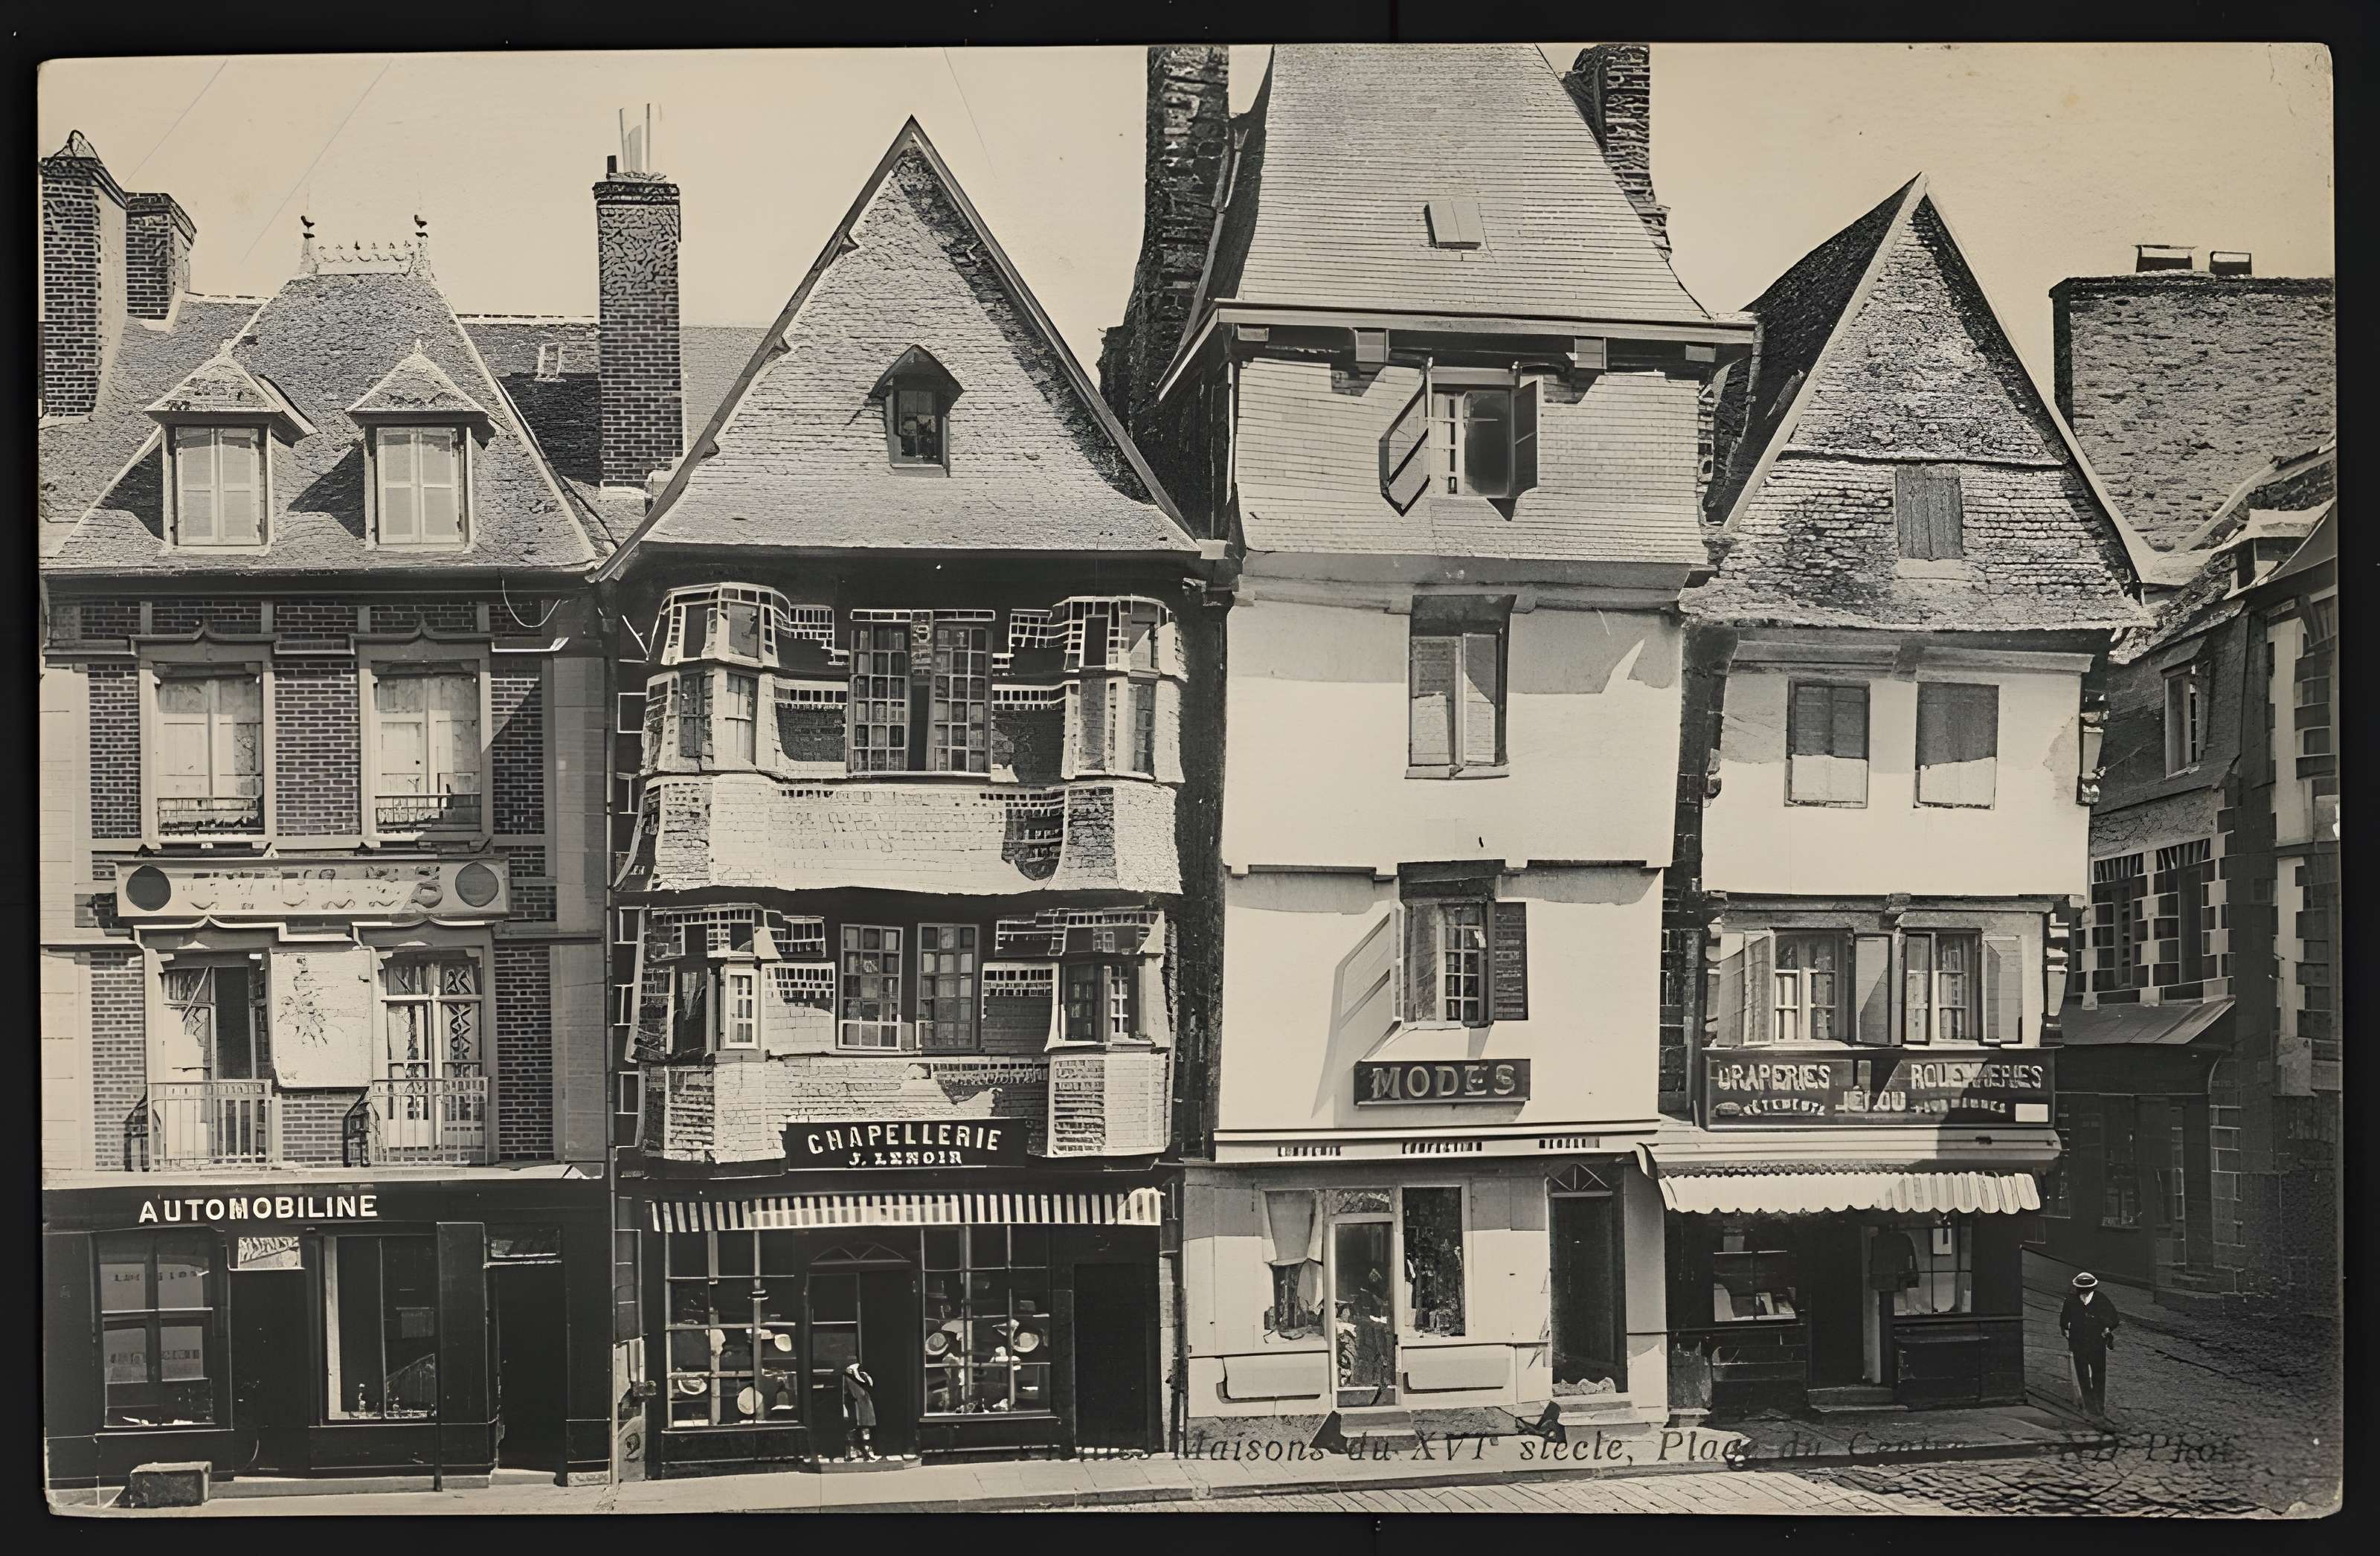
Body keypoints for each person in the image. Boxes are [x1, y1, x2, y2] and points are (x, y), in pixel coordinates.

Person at [2058, 1270, 2122, 1418]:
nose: (2085, 1293)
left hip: (2096, 1343)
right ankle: (2089, 1405)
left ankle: (2099, 1406)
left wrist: (2107, 1328)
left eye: (2087, 1290)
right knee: (2083, 1376)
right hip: (2078, 1343)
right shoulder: (2071, 1301)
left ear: (2093, 1288)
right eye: (2082, 1290)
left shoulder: (2101, 1300)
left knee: (2099, 1375)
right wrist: (2066, 1331)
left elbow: (2114, 1317)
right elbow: (2064, 1321)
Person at [841, 1360, 879, 1460]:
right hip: (854, 1404)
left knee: (865, 1427)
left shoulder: (864, 1376)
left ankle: (866, 1451)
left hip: (863, 1403)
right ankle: (856, 1451)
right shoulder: (848, 1377)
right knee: (854, 1427)